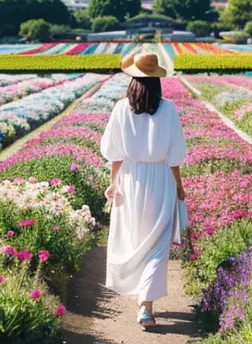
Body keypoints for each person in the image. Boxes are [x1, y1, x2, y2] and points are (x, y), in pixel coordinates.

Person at [100, 51, 187, 331]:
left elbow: (114, 153)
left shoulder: (120, 108)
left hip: (131, 178)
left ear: (133, 81)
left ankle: (141, 297)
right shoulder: (169, 109)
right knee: (157, 245)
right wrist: (179, 186)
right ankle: (146, 307)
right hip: (160, 179)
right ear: (157, 81)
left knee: (133, 238)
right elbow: (175, 155)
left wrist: (114, 183)